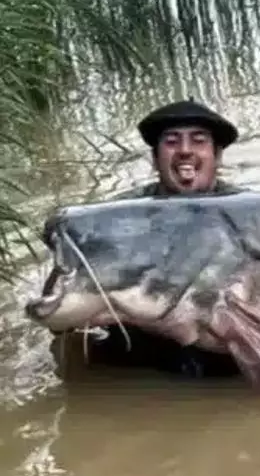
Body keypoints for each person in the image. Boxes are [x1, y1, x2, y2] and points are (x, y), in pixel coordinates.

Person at [61, 99, 248, 378]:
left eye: (198, 141)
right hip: (145, 350)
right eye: (172, 142)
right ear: (155, 159)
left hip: (222, 344)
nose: (185, 150)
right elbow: (63, 307)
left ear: (217, 157)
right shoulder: (115, 218)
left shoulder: (246, 210)